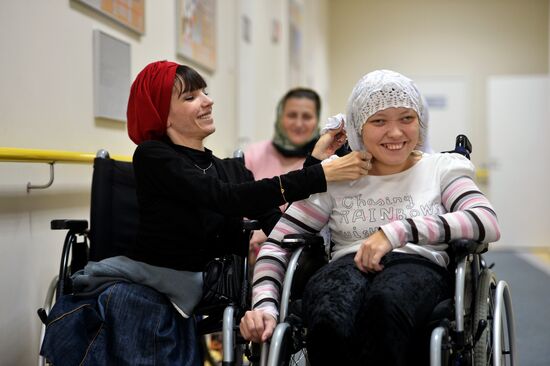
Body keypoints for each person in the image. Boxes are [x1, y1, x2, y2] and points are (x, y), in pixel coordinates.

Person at [40, 60, 369, 366]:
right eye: (191, 97)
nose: (208, 101)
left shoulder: (230, 170)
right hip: (150, 278)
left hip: (210, 285)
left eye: (206, 93)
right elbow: (224, 198)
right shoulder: (153, 157)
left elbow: (283, 225)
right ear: (162, 114)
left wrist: (316, 160)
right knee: (129, 301)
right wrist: (320, 174)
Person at [239, 69, 501, 365]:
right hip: (343, 267)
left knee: (387, 305)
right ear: (357, 128)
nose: (396, 133)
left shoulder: (442, 168)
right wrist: (264, 305)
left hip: (417, 265)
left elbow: (485, 221)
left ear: (420, 122)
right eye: (379, 121)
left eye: (407, 118)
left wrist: (395, 232)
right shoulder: (338, 175)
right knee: (328, 314)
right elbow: (277, 245)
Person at [244, 87, 322, 261]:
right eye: (292, 115)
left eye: (307, 117)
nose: (299, 124)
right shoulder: (254, 154)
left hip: (301, 255)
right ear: (280, 117)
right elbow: (240, 201)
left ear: (317, 120)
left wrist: (268, 233)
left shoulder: (323, 162)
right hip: (248, 252)